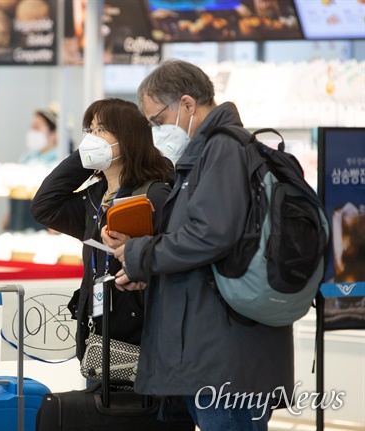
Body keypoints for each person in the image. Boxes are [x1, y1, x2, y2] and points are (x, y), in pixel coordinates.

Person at [105, 59, 294, 430]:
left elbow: (211, 234)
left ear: (188, 105)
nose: (155, 130)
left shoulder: (222, 150)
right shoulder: (208, 152)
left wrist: (141, 253)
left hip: (226, 352)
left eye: (157, 120)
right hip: (217, 347)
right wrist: (150, 271)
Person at [30, 98, 173, 363]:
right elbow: (43, 207)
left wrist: (135, 249)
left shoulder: (154, 194)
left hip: (141, 336)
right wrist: (84, 157)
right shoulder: (93, 197)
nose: (93, 138)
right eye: (90, 131)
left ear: (127, 137)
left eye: (101, 130)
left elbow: (175, 257)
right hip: (96, 332)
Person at [3, 104, 60, 232]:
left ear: (54, 133)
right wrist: (7, 219)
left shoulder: (60, 162)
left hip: (41, 228)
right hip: (17, 225)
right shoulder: (26, 158)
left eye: (37, 128)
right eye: (31, 128)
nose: (32, 132)